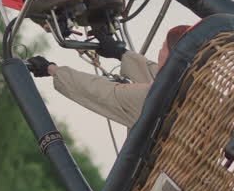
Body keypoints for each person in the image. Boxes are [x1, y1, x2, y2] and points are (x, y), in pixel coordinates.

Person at [28, 25, 192, 127]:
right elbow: (153, 71)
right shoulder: (190, 86)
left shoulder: (150, 96)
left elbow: (100, 91)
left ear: (173, 57)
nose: (159, 51)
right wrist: (119, 52)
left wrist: (52, 70)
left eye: (163, 48)